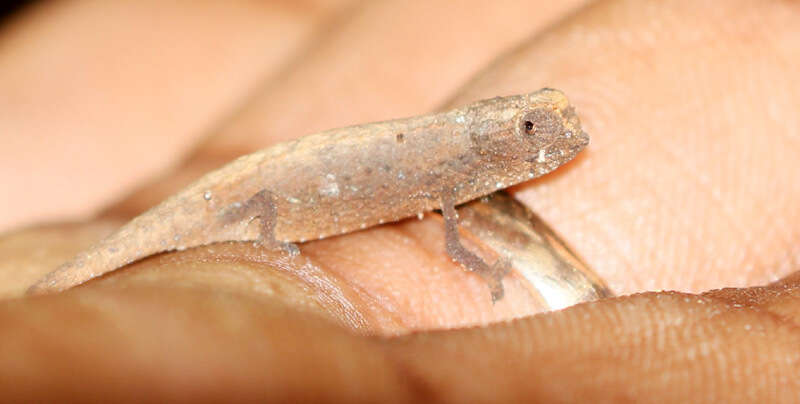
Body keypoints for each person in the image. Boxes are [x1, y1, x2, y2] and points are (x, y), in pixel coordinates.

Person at [1, 0, 798, 401]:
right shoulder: (455, 162)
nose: (549, 139)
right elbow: (452, 240)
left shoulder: (460, 165)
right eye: (529, 125)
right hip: (250, 197)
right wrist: (484, 273)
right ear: (498, 133)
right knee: (159, 238)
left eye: (541, 122)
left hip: (263, 184)